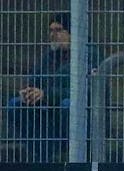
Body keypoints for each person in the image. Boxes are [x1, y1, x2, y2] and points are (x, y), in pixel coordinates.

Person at [5, 14, 82, 162]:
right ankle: (41, 154)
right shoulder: (49, 56)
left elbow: (85, 93)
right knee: (15, 104)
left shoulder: (87, 54)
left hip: (75, 118)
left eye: (58, 30)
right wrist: (28, 92)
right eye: (51, 30)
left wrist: (46, 95)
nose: (53, 35)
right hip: (48, 113)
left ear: (72, 33)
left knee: (68, 105)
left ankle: (70, 154)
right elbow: (34, 80)